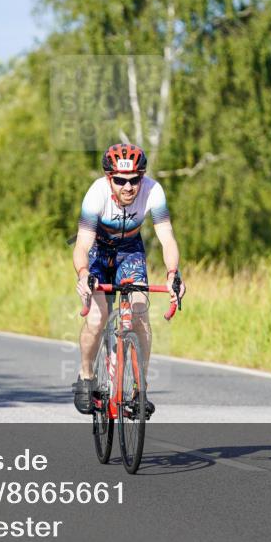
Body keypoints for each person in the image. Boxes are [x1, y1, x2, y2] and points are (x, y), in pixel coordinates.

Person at [71, 143, 186, 416]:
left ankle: (139, 390)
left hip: (130, 251)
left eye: (135, 179)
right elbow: (82, 244)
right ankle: (86, 376)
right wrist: (84, 274)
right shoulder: (96, 194)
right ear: (109, 178)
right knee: (97, 317)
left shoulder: (153, 191)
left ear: (142, 177)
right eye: (120, 180)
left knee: (139, 313)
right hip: (98, 252)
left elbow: (167, 237)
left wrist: (173, 274)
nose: (128, 187)